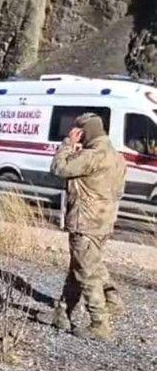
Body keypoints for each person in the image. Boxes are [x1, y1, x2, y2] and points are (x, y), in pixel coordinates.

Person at [50, 113, 127, 341]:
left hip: (85, 222)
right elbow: (119, 192)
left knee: (87, 272)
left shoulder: (91, 156)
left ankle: (99, 323)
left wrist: (67, 143)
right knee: (80, 266)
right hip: (104, 222)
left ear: (85, 132)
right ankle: (62, 313)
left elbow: (58, 168)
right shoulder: (117, 157)